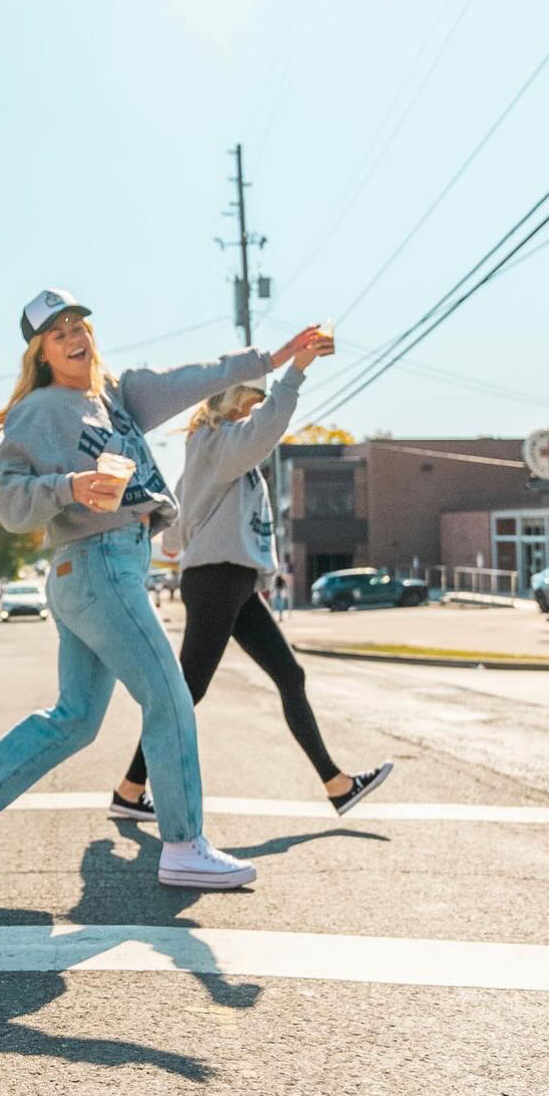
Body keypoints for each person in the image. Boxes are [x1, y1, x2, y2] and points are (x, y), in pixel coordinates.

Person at [0, 287, 326, 892]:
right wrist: (69, 487)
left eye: (78, 325)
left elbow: (199, 377)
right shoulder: (39, 410)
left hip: (107, 569)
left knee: (77, 718)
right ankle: (185, 843)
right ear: (41, 354)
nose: (74, 337)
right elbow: (5, 498)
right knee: (169, 696)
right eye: (58, 334)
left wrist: (274, 360)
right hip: (95, 564)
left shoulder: (118, 395)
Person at [109, 352, 391, 826]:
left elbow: (176, 533)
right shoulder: (219, 441)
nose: (257, 406)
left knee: (288, 676)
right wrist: (295, 372)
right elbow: (267, 429)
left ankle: (337, 785)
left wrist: (190, 532)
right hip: (219, 578)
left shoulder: (212, 448)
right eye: (253, 397)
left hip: (231, 580)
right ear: (233, 396)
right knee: (185, 692)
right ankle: (130, 789)